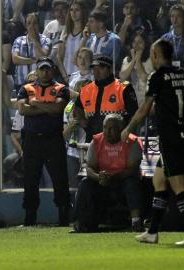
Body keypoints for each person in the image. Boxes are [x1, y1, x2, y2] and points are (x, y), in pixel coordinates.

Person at [121, 39, 184, 246]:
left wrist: (129, 128)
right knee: (159, 181)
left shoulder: (157, 77)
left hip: (170, 137)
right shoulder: (181, 73)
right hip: (181, 134)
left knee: (179, 186)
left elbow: (145, 108)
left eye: (152, 54)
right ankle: (153, 232)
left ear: (156, 54)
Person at [17, 57, 70, 226]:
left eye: (48, 69)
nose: (45, 72)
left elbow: (58, 109)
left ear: (53, 70)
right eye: (42, 69)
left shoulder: (61, 88)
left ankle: (63, 218)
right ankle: (29, 219)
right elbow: (22, 110)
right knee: (30, 180)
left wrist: (36, 104)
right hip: (32, 140)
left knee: (60, 179)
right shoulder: (26, 88)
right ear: (37, 70)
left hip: (53, 139)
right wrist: (47, 108)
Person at [72, 114, 143, 233]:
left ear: (121, 129)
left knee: (131, 182)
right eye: (105, 127)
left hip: (123, 183)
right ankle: (79, 222)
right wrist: (98, 177)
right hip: (102, 183)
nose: (107, 131)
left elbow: (133, 169)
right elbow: (89, 168)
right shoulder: (96, 141)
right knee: (85, 183)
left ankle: (136, 222)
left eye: (111, 128)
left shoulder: (132, 141)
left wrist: (114, 177)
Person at [74, 54, 138, 141]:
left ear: (110, 69)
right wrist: (84, 122)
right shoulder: (86, 89)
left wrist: (127, 132)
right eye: (94, 68)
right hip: (93, 140)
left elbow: (135, 114)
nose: (96, 71)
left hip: (117, 140)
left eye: (101, 68)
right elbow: (77, 108)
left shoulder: (123, 87)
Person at [12, 12, 51, 95]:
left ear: (38, 25)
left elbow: (42, 57)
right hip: (21, 83)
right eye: (29, 23)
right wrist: (34, 60)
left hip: (39, 83)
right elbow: (15, 59)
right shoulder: (19, 40)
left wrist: (34, 39)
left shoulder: (45, 40)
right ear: (25, 26)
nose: (32, 26)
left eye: (35, 23)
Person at [56, 0, 89, 82]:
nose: (73, 13)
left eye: (77, 10)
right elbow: (59, 57)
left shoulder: (87, 31)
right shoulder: (65, 31)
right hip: (66, 76)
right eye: (71, 10)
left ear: (83, 11)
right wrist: (65, 77)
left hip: (83, 77)